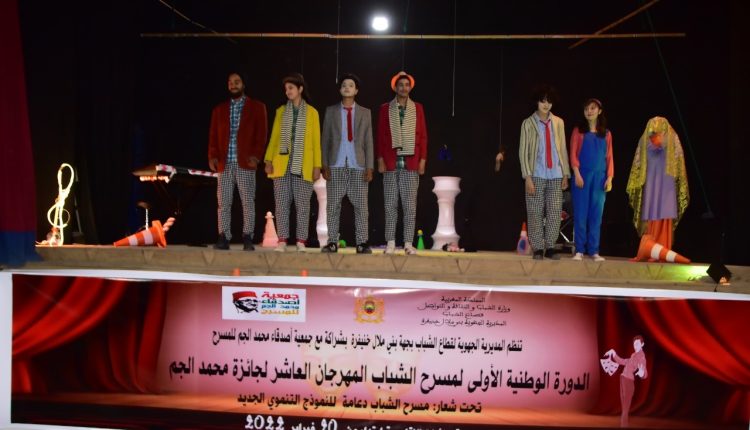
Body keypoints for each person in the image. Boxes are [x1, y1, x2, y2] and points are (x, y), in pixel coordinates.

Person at [208, 72, 268, 250]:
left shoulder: (257, 107)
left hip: (246, 163)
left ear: (243, 84)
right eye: (230, 82)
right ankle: (223, 236)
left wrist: (256, 156)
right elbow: (213, 136)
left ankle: (248, 236)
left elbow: (261, 135)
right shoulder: (219, 110)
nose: (233, 85)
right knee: (223, 203)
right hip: (224, 163)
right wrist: (212, 156)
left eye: (237, 82)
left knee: (248, 202)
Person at [264, 73, 321, 252]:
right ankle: (282, 240)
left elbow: (316, 142)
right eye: (286, 89)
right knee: (281, 204)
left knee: (303, 205)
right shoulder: (281, 111)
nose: (287, 91)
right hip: (282, 164)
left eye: (291, 88)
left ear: (300, 89)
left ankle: (300, 241)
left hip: (304, 165)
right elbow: (274, 137)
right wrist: (268, 159)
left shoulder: (312, 112)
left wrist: (317, 166)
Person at [320, 73, 374, 254]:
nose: (347, 87)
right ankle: (332, 242)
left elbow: (368, 141)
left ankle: (362, 242)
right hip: (335, 164)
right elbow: (325, 140)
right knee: (333, 206)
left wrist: (369, 166)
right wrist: (325, 164)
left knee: (361, 207)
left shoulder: (365, 112)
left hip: (358, 165)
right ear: (340, 89)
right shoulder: (331, 111)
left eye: (351, 85)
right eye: (344, 85)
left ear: (356, 90)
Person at [376, 71, 428, 255]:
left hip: (411, 163)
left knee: (409, 206)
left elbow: (423, 136)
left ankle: (408, 243)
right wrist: (380, 159)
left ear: (410, 87)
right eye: (400, 85)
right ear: (395, 88)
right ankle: (390, 242)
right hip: (391, 163)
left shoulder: (418, 108)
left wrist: (422, 160)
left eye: (407, 85)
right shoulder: (385, 108)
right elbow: (380, 136)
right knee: (390, 205)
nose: (404, 88)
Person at [518, 85, 570, 260]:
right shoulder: (528, 123)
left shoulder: (559, 122)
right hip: (536, 173)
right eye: (543, 101)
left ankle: (551, 246)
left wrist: (565, 173)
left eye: (549, 101)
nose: (546, 105)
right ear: (537, 102)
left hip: (556, 173)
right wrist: (527, 177)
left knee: (555, 212)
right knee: (535, 211)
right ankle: (538, 248)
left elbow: (562, 148)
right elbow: (523, 152)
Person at [626, 116, 689, 254]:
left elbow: (678, 160)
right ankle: (651, 248)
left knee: (664, 213)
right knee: (652, 212)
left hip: (666, 184)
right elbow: (639, 162)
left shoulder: (671, 138)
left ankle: (663, 248)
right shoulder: (646, 140)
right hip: (652, 183)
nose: (657, 125)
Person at [569, 98, 614, 262]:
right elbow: (573, 153)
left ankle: (594, 250)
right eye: (586, 109)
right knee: (581, 214)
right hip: (582, 176)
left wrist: (609, 177)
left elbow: (609, 157)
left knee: (596, 215)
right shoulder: (578, 131)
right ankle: (580, 250)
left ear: (599, 111)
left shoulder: (607, 134)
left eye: (593, 108)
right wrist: (577, 173)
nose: (589, 111)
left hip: (600, 178)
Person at [604, 335, 648, 428]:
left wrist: (642, 373)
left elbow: (644, 371)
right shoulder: (634, 355)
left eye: (637, 344)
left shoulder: (641, 356)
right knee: (624, 408)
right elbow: (623, 361)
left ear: (642, 344)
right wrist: (613, 353)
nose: (635, 346)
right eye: (634, 344)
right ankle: (624, 425)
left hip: (628, 382)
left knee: (625, 409)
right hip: (624, 380)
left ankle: (624, 426)